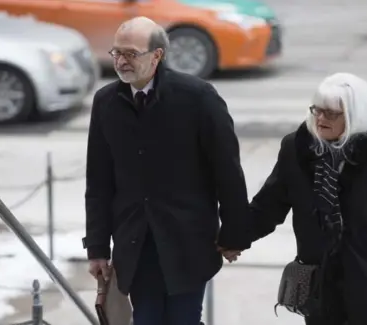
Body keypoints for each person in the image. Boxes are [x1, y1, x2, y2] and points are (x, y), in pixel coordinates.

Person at [81, 16, 251, 325]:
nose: (121, 61)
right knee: (146, 319)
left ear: (156, 55)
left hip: (187, 240)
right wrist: (97, 246)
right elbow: (99, 180)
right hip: (135, 240)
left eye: (131, 53)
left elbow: (227, 171)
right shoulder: (106, 102)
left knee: (184, 318)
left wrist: (234, 234)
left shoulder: (198, 97)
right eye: (117, 53)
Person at [246, 72, 367, 325]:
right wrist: (231, 237)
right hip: (320, 286)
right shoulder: (297, 150)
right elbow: (268, 206)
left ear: (354, 116)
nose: (321, 119)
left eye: (332, 113)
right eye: (317, 110)